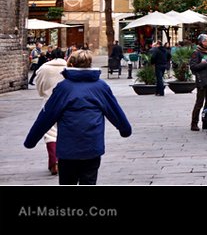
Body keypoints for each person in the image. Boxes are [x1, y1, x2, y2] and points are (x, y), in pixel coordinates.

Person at [24, 50, 132, 185]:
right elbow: (115, 111)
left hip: (68, 149)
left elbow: (47, 116)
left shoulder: (64, 88)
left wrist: (31, 140)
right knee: (89, 181)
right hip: (92, 147)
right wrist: (125, 129)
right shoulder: (101, 87)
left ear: (71, 63)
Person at [34, 49, 67, 175]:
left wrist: (45, 93)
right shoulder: (68, 67)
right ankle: (65, 160)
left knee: (50, 133)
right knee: (65, 131)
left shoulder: (43, 69)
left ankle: (54, 162)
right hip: (67, 102)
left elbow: (39, 87)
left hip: (49, 102)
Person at [189, 34, 207, 131]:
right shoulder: (197, 52)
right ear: (202, 42)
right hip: (201, 81)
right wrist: (204, 63)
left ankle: (206, 122)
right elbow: (193, 67)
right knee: (199, 103)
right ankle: (194, 123)